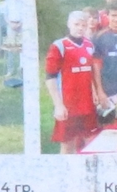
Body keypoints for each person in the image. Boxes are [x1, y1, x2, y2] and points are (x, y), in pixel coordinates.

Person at [44, 8, 103, 151]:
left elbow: (89, 71)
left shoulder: (89, 45)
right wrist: (58, 105)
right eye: (76, 24)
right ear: (69, 24)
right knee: (67, 145)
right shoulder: (59, 46)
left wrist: (94, 91)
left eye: (83, 25)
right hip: (69, 104)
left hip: (87, 103)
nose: (80, 28)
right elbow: (50, 77)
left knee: (91, 143)